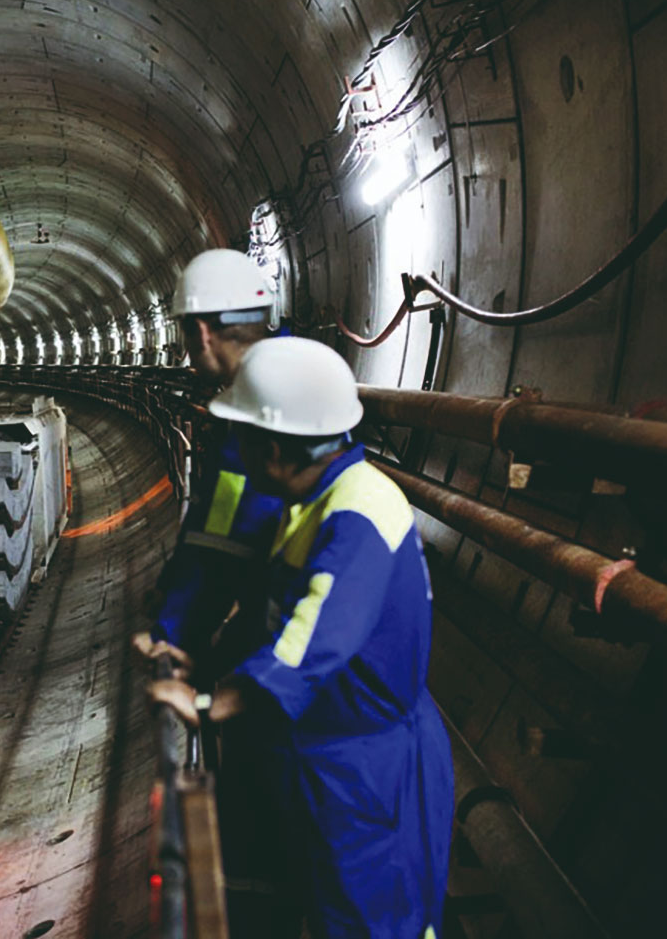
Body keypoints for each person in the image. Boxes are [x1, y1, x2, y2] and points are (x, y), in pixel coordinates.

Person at [149, 337, 454, 939]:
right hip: (324, 756)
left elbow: (316, 636)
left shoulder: (359, 509)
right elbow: (270, 614)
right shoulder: (310, 503)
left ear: (275, 448)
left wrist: (212, 704)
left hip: (368, 774)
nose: (235, 454)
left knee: (375, 923)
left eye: (242, 439)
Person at [130, 249, 295, 931]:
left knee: (274, 831)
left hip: (284, 655)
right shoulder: (294, 373)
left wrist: (176, 634)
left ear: (200, 332)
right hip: (281, 633)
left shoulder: (251, 407)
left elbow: (222, 537)